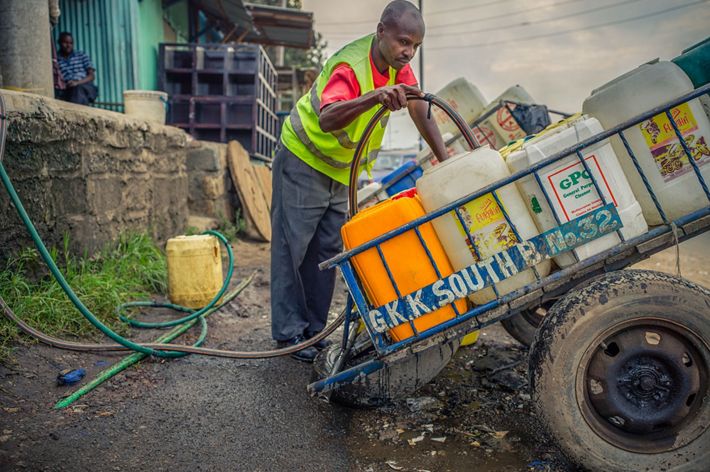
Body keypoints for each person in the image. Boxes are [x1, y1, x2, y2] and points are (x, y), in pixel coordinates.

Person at [271, 0, 448, 362]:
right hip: (304, 161)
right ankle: (289, 335)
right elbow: (328, 118)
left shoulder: (400, 69)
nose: (408, 52)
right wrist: (373, 97)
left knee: (326, 253)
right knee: (293, 249)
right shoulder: (350, 66)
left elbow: (418, 108)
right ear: (381, 31)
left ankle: (314, 334)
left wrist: (446, 159)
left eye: (415, 46)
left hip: (340, 174)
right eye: (402, 42)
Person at [55, 32, 98, 105]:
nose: (68, 45)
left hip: (86, 86)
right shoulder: (56, 59)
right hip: (68, 89)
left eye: (71, 43)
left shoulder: (81, 55)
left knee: (77, 90)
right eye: (65, 42)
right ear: (59, 43)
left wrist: (77, 83)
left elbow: (92, 76)